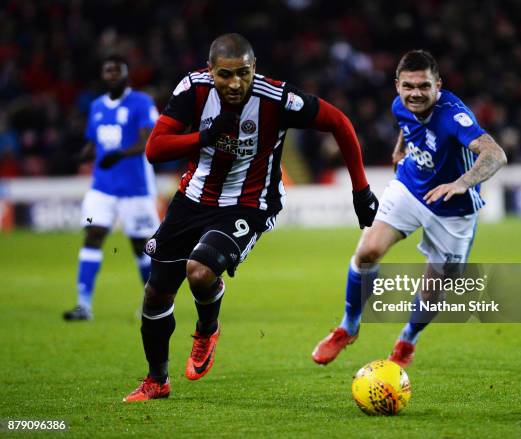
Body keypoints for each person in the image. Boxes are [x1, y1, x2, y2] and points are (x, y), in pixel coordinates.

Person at [122, 33, 379, 402]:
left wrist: (361, 190)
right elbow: (155, 149)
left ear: (254, 68)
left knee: (199, 270)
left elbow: (339, 122)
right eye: (225, 74)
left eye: (243, 72)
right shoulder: (192, 89)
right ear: (210, 71)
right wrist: (205, 135)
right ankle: (157, 381)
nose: (235, 83)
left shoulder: (277, 99)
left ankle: (207, 329)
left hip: (249, 204)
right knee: (156, 294)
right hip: (192, 199)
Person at [312, 50, 507, 367]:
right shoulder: (399, 104)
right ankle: (347, 327)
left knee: (435, 288)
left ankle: (407, 339)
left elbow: (495, 154)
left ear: (438, 85)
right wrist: (401, 147)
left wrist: (461, 183)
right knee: (367, 252)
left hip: (452, 209)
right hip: (410, 187)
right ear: (397, 85)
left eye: (424, 86)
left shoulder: (454, 116)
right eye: (409, 86)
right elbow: (409, 122)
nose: (415, 93)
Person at [63, 55, 160, 321]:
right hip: (102, 187)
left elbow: (149, 140)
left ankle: (152, 305)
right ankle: (84, 305)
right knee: (93, 234)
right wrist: (76, 158)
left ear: (127, 74)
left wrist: (120, 154)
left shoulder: (141, 102)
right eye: (108, 71)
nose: (113, 75)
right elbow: (94, 147)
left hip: (135, 188)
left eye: (118, 70)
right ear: (103, 75)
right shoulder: (96, 106)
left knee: (141, 245)